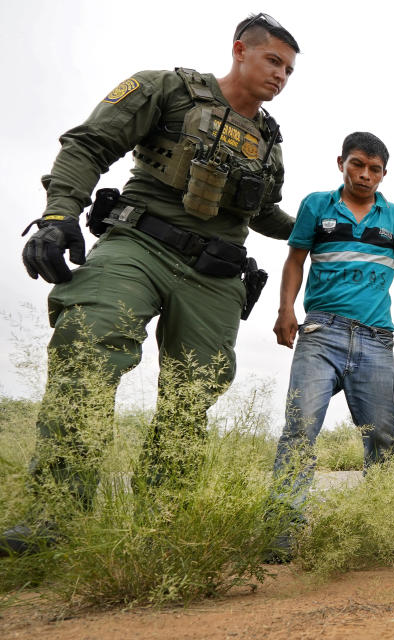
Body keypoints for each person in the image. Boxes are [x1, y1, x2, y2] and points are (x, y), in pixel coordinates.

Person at [2, 14, 300, 556]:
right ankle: (55, 515)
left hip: (214, 273)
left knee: (193, 392)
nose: (281, 75)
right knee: (89, 342)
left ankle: (162, 521)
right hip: (139, 245)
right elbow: (89, 145)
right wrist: (57, 215)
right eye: (273, 61)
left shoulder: (269, 141)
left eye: (289, 69)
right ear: (239, 50)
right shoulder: (168, 89)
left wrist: (318, 228)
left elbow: (261, 214)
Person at [271, 131, 394, 520]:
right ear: (341, 163)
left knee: (381, 435)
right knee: (299, 430)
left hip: (376, 339)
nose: (364, 175)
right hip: (320, 334)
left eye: (374, 169)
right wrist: (285, 309)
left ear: (383, 174)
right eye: (357, 164)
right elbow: (295, 261)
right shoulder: (316, 206)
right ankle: (282, 527)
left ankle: (382, 521)